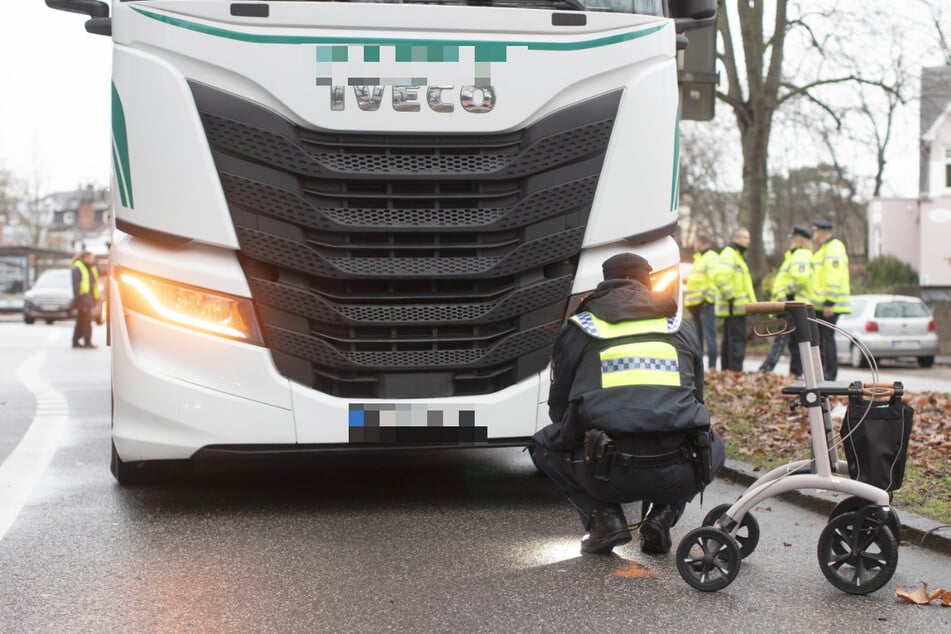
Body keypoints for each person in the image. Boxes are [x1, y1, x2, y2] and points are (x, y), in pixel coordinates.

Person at [529, 253, 725, 555]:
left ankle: (604, 518)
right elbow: (696, 398)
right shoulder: (681, 326)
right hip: (677, 470)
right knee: (717, 445)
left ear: (605, 281)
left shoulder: (582, 327)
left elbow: (560, 407)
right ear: (649, 281)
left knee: (542, 445)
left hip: (604, 471)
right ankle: (664, 514)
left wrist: (570, 435)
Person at [758, 225, 815, 376]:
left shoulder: (800, 255)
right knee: (794, 342)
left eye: (792, 238)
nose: (790, 240)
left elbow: (801, 279)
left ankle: (766, 369)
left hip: (793, 303)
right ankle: (795, 372)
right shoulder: (794, 255)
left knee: (781, 338)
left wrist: (786, 292)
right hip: (792, 303)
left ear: (798, 239)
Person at [811, 219, 850, 380]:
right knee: (823, 340)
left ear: (821, 232)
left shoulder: (833, 248)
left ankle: (830, 375)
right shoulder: (824, 249)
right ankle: (825, 373)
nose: (814, 235)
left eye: (816, 232)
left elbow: (833, 277)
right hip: (822, 304)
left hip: (829, 305)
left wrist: (829, 302)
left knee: (827, 340)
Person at [714, 228, 756, 372]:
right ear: (735, 238)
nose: (748, 241)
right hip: (734, 308)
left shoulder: (737, 255)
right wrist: (731, 296)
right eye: (745, 237)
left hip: (738, 308)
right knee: (736, 342)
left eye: (748, 237)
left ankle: (729, 371)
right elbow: (720, 277)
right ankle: (735, 372)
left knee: (731, 341)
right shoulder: (729, 254)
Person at [684, 234, 719, 370]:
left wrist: (709, 300)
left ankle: (712, 367)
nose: (694, 245)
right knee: (697, 339)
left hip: (705, 304)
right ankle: (698, 367)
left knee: (709, 337)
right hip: (696, 305)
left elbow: (714, 280)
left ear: (700, 243)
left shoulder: (711, 258)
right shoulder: (699, 258)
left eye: (695, 242)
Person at [71, 250, 101, 349]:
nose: (93, 259)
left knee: (81, 321)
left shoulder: (89, 267)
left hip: (88, 299)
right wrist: (78, 302)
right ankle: (87, 341)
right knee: (86, 322)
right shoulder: (78, 268)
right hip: (83, 299)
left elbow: (98, 274)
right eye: (91, 258)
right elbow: (76, 286)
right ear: (85, 258)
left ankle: (76, 341)